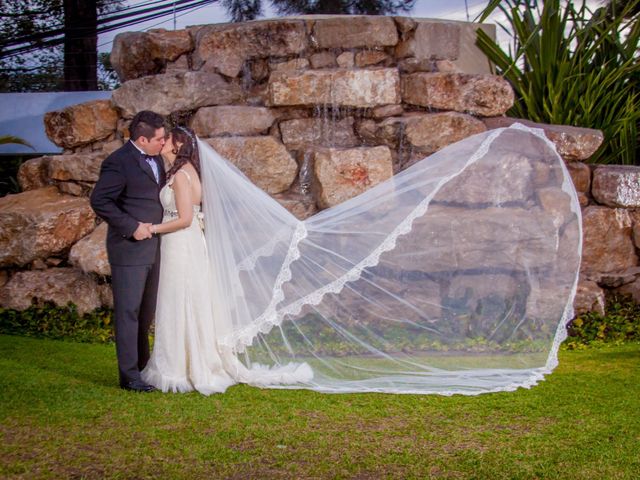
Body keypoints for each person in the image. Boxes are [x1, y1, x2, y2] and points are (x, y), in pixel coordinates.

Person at [90, 110, 166, 393]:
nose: (163, 143)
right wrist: (131, 226)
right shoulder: (118, 162)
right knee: (128, 312)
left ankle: (144, 367)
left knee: (146, 313)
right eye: (159, 139)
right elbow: (100, 200)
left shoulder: (157, 156)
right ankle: (129, 376)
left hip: (155, 246)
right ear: (142, 139)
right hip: (129, 248)